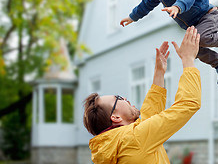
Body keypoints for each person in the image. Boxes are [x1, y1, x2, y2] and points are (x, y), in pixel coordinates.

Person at [83, 26, 201, 163]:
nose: (125, 98)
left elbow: (147, 118)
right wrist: (188, 59)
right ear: (115, 117)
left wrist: (159, 73)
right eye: (118, 98)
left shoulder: (115, 144)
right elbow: (188, 104)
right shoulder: (135, 138)